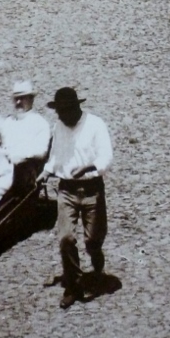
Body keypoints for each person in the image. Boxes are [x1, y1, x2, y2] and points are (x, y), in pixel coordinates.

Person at [43, 87, 113, 309]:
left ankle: (97, 267)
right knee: (66, 238)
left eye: (65, 111)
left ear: (76, 108)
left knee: (93, 240)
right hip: (66, 190)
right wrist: (45, 173)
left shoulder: (95, 125)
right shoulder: (59, 127)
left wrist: (89, 167)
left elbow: (106, 156)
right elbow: (56, 157)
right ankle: (73, 285)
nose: (61, 116)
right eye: (59, 112)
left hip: (92, 189)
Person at [3, 81, 51, 164]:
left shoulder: (39, 123)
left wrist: (21, 157)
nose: (18, 102)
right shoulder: (8, 122)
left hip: (27, 167)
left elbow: (41, 152)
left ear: (31, 99)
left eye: (22, 98)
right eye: (16, 99)